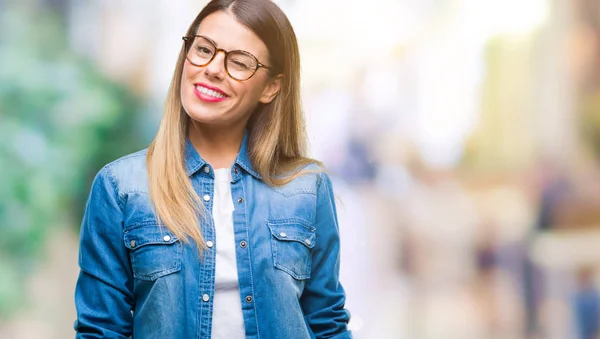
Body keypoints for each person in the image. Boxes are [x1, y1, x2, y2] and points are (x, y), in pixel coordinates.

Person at [73, 1, 352, 338]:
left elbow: (327, 322)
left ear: (271, 87)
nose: (213, 68)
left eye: (239, 62)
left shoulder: (307, 188)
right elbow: (101, 330)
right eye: (203, 49)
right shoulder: (121, 187)